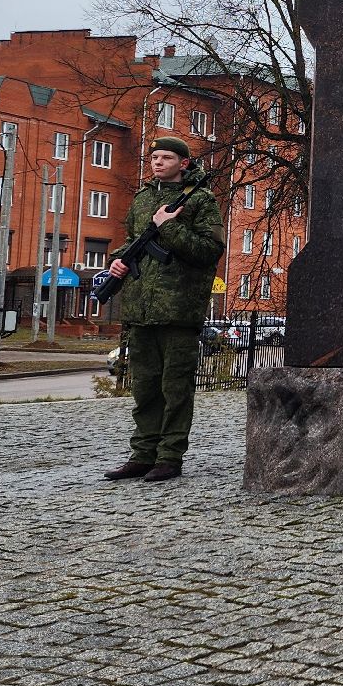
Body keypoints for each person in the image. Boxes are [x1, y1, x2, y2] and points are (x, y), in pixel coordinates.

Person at [102, 136, 224, 483]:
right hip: (141, 308)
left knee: (175, 389)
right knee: (145, 388)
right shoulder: (143, 199)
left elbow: (208, 250)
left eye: (166, 157)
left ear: (184, 163)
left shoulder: (201, 200)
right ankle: (143, 454)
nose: (157, 162)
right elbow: (131, 240)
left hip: (178, 309)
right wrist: (117, 262)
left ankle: (169, 457)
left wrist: (168, 225)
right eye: (154, 156)